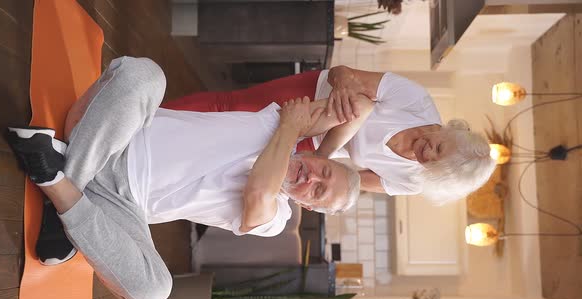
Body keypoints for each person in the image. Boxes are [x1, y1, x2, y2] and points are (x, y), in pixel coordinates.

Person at [7, 57, 360, 299]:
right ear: (321, 155)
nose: (311, 178)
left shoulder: (277, 217)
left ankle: (63, 176)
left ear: (309, 207)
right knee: (142, 74)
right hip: (114, 133)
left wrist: (289, 128)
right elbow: (360, 103)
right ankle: (63, 197)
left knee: (153, 291)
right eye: (323, 171)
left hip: (122, 203)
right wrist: (303, 125)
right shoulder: (277, 123)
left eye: (317, 191)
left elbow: (258, 192)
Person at [162, 66, 496, 204]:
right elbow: (342, 74)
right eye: (438, 146)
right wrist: (348, 88)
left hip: (316, 146)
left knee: (228, 142)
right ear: (450, 130)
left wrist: (317, 184)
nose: (425, 154)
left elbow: (349, 179)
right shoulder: (416, 100)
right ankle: (156, 115)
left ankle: (162, 148)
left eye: (432, 164)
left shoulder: (410, 181)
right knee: (229, 106)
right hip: (316, 96)